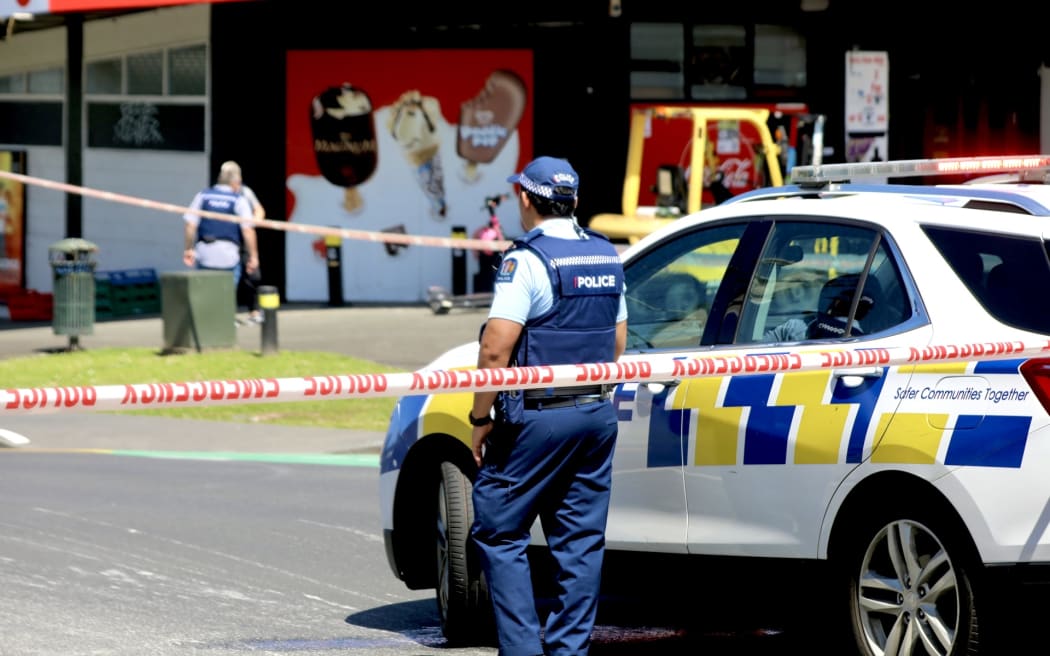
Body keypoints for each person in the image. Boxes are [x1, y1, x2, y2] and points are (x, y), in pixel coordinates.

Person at [468, 156, 628, 656]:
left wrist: (479, 417)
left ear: (524, 199)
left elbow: (495, 349)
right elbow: (618, 341)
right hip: (597, 414)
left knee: (498, 529)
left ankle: (521, 651)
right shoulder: (606, 255)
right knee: (579, 544)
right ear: (575, 201)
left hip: (537, 419)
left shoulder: (527, 260)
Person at [182, 162, 259, 314]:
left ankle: (205, 320)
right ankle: (224, 317)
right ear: (236, 182)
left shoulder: (203, 195)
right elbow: (248, 231)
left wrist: (188, 249)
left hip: (205, 254)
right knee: (226, 295)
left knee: (205, 293)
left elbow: (190, 225)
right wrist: (253, 256)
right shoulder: (238, 200)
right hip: (228, 257)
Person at [224, 161, 267, 324]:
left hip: (244, 239)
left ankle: (254, 311)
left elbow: (259, 210)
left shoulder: (245, 192)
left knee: (252, 275)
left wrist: (252, 222)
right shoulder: (220, 193)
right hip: (227, 239)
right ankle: (227, 315)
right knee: (228, 278)